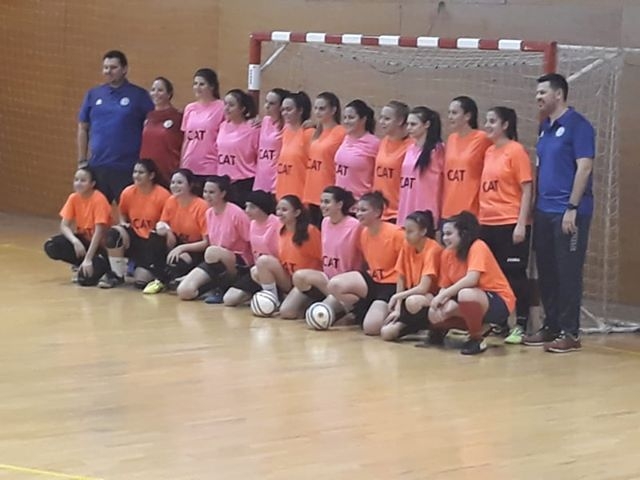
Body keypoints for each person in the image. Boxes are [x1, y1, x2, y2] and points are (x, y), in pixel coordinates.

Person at [523, 73, 595, 353]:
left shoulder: (579, 126)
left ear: (558, 94)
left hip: (569, 212)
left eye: (542, 92)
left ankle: (570, 332)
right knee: (548, 272)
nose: (538, 97)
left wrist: (572, 208)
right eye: (537, 92)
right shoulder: (545, 127)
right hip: (544, 211)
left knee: (568, 273)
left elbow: (584, 167)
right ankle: (551, 326)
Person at [479, 107, 533, 344]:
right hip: (487, 223)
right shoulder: (489, 151)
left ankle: (520, 325)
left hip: (510, 222)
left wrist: (521, 224)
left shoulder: (516, 150)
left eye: (492, 121)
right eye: (486, 120)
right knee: (492, 276)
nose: (487, 125)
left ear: (505, 125)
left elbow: (527, 189)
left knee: (514, 275)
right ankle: (499, 322)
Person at [429, 211, 515, 355]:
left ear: (463, 233)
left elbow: (471, 279)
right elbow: (444, 285)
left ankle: (477, 338)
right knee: (435, 312)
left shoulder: (477, 246)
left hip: (498, 300)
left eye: (449, 234)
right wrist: (440, 301)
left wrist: (442, 296)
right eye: (443, 234)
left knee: (466, 294)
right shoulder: (447, 254)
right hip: (471, 299)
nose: (445, 238)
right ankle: (478, 327)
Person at [77, 50, 154, 203]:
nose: (108, 71)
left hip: (126, 167)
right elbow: (83, 127)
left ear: (124, 69)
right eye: (105, 67)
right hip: (97, 166)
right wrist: (82, 161)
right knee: (96, 211)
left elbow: (152, 127)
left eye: (113, 67)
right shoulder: (93, 94)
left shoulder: (139, 95)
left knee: (128, 212)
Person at [326, 192, 404, 335]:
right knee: (334, 285)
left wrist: (399, 299)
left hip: (391, 285)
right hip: (373, 280)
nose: (358, 214)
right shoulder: (364, 233)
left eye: (363, 210)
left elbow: (406, 268)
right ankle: (360, 309)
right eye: (357, 210)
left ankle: (389, 313)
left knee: (371, 328)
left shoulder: (396, 234)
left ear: (377, 212)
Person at [283, 186, 363, 319]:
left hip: (344, 283)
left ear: (339, 204)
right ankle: (327, 303)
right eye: (321, 202)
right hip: (326, 280)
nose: (322, 206)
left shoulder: (355, 225)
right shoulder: (325, 222)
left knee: (318, 317)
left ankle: (349, 307)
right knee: (288, 308)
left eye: (327, 202)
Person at [176, 175, 251, 301]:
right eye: (205, 192)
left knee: (212, 251)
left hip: (239, 261)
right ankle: (209, 287)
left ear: (223, 194)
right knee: (184, 291)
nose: (207, 195)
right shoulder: (209, 213)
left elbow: (250, 240)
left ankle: (222, 288)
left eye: (211, 192)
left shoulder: (236, 213)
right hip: (215, 261)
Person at [99, 159, 171, 289]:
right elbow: (122, 213)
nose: (136, 175)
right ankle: (117, 274)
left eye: (141, 172)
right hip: (135, 238)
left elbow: (166, 224)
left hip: (152, 242)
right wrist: (123, 223)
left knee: (141, 282)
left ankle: (155, 270)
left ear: (151, 175)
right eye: (135, 172)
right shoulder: (128, 192)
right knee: (114, 233)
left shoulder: (163, 195)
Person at [142, 169, 209, 294]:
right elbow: (162, 224)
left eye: (179, 183)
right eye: (172, 182)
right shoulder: (171, 201)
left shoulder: (201, 206)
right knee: (156, 235)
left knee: (178, 261)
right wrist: (167, 231)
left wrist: (181, 248)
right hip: (176, 242)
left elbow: (206, 242)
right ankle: (160, 276)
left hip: (195, 248)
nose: (175, 186)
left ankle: (173, 278)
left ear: (190, 185)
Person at [251, 195, 322, 314]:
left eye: (284, 210)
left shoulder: (310, 231)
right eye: (278, 209)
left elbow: (321, 259)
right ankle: (273, 301)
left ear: (297, 213)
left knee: (287, 312)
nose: (279, 213)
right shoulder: (281, 230)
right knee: (259, 267)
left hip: (305, 281)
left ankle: (308, 302)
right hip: (290, 278)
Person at [44, 167, 112, 286]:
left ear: (92, 184)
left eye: (83, 180)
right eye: (76, 180)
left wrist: (88, 259)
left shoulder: (99, 199)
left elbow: (99, 232)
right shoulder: (74, 198)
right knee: (51, 246)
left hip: (100, 247)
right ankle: (80, 264)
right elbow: (64, 225)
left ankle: (103, 267)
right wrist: (75, 241)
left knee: (85, 280)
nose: (78, 183)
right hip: (84, 241)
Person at [380, 210, 442, 341]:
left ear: (423, 231)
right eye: (405, 230)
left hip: (431, 297)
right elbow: (401, 277)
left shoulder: (433, 249)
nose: (406, 235)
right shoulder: (407, 245)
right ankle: (414, 328)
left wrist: (397, 296)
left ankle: (432, 328)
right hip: (410, 295)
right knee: (386, 333)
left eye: (410, 231)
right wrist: (397, 308)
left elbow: (423, 288)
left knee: (413, 302)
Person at [223, 190, 280, 306]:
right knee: (229, 299)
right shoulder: (252, 224)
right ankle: (259, 294)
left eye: (252, 207)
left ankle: (274, 300)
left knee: (258, 268)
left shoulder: (277, 223)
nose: (247, 210)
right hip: (256, 270)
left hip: (274, 269)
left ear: (262, 207)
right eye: (246, 206)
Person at [442, 96, 492, 219]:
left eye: (454, 113)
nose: (450, 117)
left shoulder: (482, 138)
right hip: (449, 208)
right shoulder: (451, 138)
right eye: (449, 112)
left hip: (471, 210)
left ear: (467, 116)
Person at [302, 92, 346, 226]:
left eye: (322, 108)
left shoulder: (341, 132)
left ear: (333, 110)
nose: (317, 112)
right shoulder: (315, 132)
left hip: (328, 190)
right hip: (311, 190)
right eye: (315, 108)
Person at [397, 106, 445, 226]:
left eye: (413, 124)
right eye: (408, 124)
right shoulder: (410, 148)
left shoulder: (437, 150)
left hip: (424, 211)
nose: (409, 128)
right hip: (406, 206)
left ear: (426, 124)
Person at [216, 89, 261, 207]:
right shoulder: (223, 126)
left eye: (231, 105)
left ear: (242, 109)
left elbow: (259, 157)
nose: (226, 108)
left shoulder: (253, 128)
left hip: (243, 182)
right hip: (223, 181)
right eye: (225, 104)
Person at [180, 68, 225, 185]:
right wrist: (182, 164)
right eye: (195, 84)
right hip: (189, 166)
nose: (197, 87)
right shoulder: (189, 108)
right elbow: (186, 139)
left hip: (210, 167)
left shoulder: (221, 107)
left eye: (202, 84)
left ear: (212, 86)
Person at [139, 77, 183, 188]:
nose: (156, 93)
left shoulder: (177, 117)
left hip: (167, 172)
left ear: (169, 94)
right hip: (148, 173)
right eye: (153, 90)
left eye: (160, 90)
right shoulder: (149, 116)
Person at [372, 101, 412, 223]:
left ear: (400, 121)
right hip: (378, 210)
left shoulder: (411, 146)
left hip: (396, 212)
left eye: (387, 119)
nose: (382, 122)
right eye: (381, 118)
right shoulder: (383, 141)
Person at [334, 100, 380, 200]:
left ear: (363, 119)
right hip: (340, 201)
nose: (346, 121)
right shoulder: (345, 138)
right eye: (345, 118)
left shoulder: (374, 143)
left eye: (351, 118)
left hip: (359, 201)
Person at [254, 88, 290, 192]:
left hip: (276, 180)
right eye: (266, 102)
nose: (267, 106)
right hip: (260, 179)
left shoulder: (287, 126)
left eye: (272, 103)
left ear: (281, 107)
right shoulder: (265, 121)